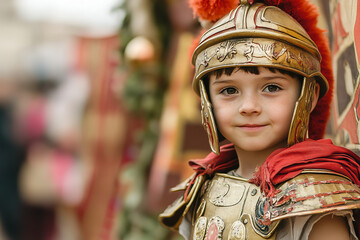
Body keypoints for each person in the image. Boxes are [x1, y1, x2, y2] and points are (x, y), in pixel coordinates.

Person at [159, 0, 360, 239]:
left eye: (272, 87)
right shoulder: (201, 189)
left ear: (310, 94)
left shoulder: (316, 199)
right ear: (206, 99)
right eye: (229, 91)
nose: (249, 107)